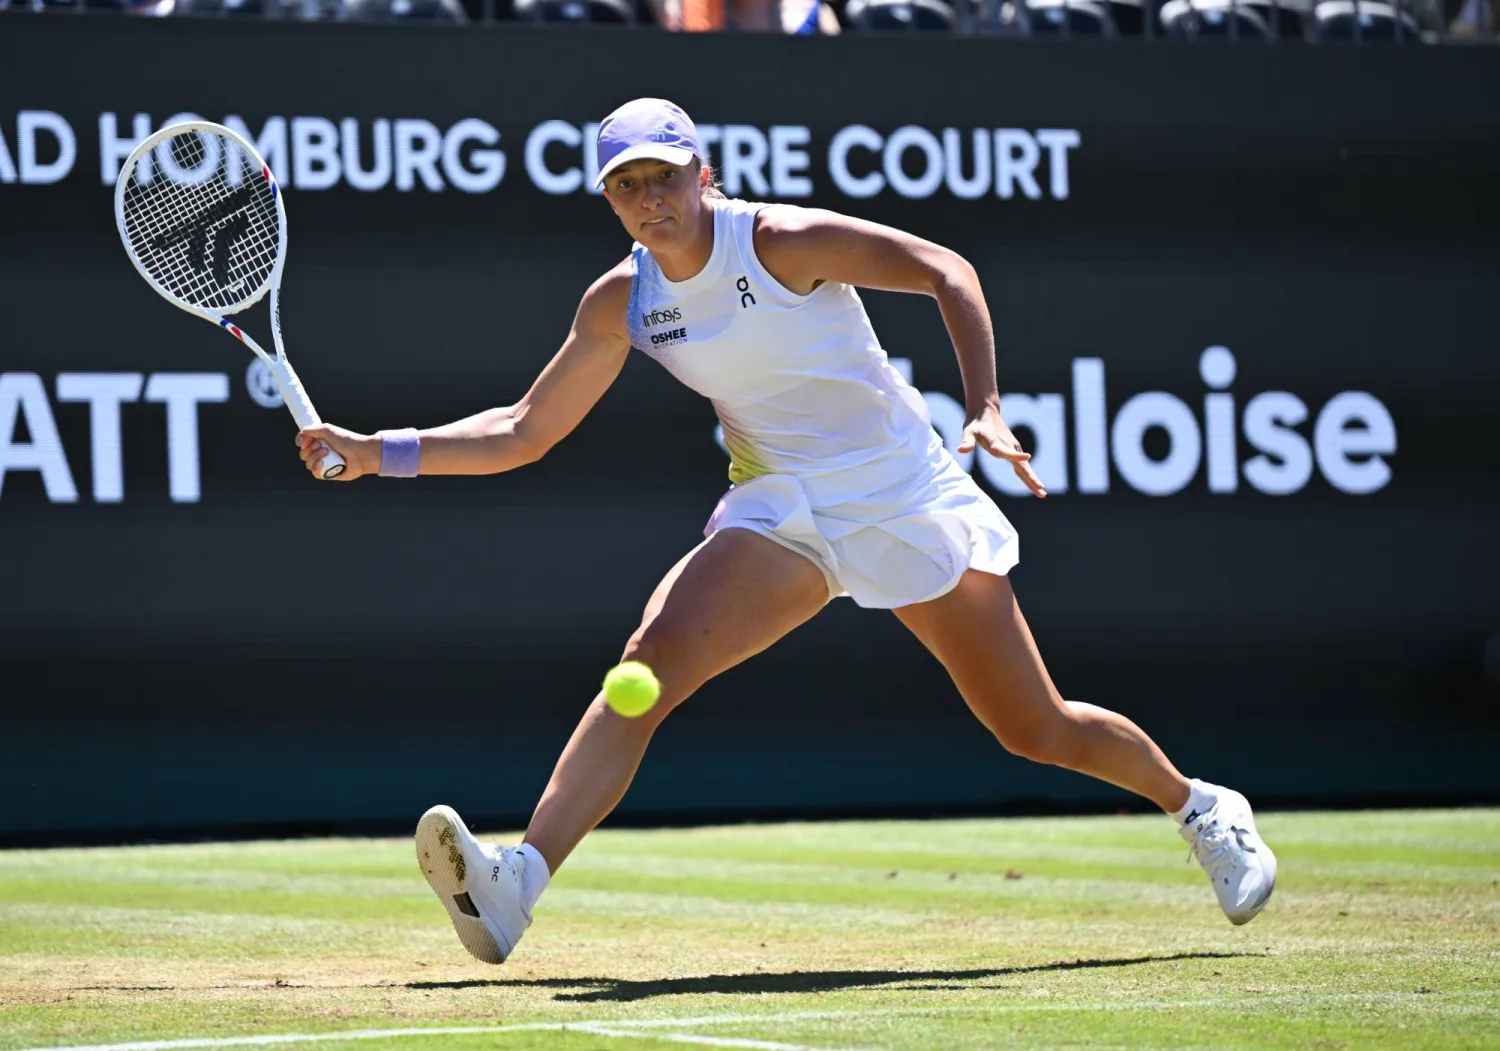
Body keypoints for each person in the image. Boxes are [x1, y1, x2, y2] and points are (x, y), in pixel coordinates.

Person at [295, 97, 1278, 966]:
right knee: (652, 661)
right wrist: (378, 451)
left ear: (702, 172)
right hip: (784, 505)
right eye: (626, 184)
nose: (649, 198)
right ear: (610, 199)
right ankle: (516, 885)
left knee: (1036, 728)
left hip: (905, 492)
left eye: (664, 175)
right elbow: (525, 430)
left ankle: (1199, 807)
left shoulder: (783, 241)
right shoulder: (620, 299)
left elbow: (948, 270)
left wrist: (984, 405)